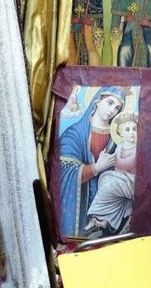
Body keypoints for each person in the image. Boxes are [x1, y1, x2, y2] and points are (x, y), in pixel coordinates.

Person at [59, 86, 127, 237]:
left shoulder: (118, 138)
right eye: (110, 103)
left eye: (117, 108)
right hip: (81, 205)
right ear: (97, 100)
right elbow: (63, 173)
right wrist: (96, 167)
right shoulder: (74, 134)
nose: (112, 110)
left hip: (108, 202)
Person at [83, 111, 138, 238]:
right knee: (107, 186)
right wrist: (104, 157)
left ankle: (96, 215)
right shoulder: (120, 147)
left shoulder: (138, 148)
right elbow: (117, 164)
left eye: (134, 129)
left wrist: (109, 159)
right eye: (127, 129)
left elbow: (126, 164)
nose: (132, 132)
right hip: (122, 179)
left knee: (108, 186)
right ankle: (103, 221)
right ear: (120, 133)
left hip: (133, 182)